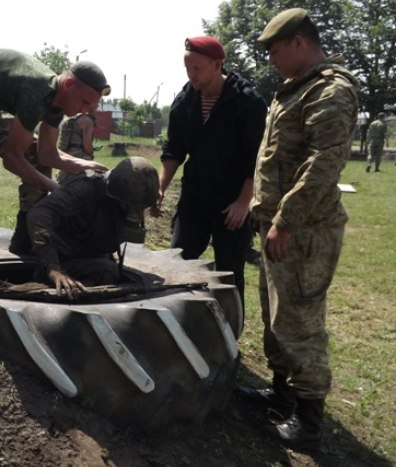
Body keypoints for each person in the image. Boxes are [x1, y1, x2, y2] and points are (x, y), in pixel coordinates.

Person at [237, 8, 359, 450]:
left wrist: (285, 219)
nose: (270, 59)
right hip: (278, 228)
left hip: (303, 232)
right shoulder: (295, 90)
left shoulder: (330, 91)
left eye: (274, 50)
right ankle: (282, 392)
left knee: (300, 322)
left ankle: (308, 422)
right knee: (277, 318)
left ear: (299, 43)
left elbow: (323, 164)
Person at [0, 48, 110, 290]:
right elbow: (12, 159)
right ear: (68, 84)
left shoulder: (56, 104)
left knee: (35, 155)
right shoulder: (36, 92)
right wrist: (56, 189)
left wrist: (86, 164)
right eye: (85, 101)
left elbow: (48, 154)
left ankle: (22, 241)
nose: (86, 109)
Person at [151, 35, 267, 307]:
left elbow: (257, 157)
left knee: (228, 271)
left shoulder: (246, 101)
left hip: (232, 203)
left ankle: (229, 332)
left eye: (197, 68)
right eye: (187, 68)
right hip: (195, 196)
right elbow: (174, 149)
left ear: (217, 65)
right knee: (178, 259)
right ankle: (179, 320)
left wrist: (243, 202)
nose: (192, 75)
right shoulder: (186, 100)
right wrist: (160, 187)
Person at [27, 157, 159, 299]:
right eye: (131, 207)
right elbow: (39, 213)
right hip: (60, 256)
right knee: (108, 271)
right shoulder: (85, 187)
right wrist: (53, 268)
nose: (135, 213)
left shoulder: (123, 197)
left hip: (89, 253)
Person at [56, 111, 96, 185]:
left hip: (65, 159)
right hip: (80, 159)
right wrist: (91, 154)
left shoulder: (69, 119)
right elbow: (87, 146)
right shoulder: (86, 121)